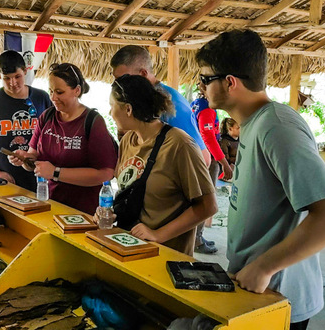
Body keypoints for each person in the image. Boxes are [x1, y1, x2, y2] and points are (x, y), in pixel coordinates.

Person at [196, 29, 325, 329]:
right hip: (257, 287)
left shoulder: (277, 126)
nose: (201, 87)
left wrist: (264, 267)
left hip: (278, 294)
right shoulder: (254, 124)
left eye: (205, 79)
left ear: (230, 82)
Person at [98, 74, 217, 256]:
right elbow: (133, 191)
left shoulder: (179, 144)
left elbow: (208, 206)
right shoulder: (128, 141)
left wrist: (158, 235)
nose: (110, 113)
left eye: (112, 106)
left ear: (128, 109)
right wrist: (109, 212)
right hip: (131, 249)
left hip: (166, 255)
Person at [8, 63, 117, 214]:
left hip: (83, 212)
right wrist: (25, 159)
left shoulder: (92, 122)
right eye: (51, 91)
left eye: (59, 92)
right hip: (49, 205)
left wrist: (56, 172)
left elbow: (105, 173)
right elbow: (34, 160)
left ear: (77, 91)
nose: (53, 97)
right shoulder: (46, 117)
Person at [110, 45, 211, 166]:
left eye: (123, 79)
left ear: (143, 73)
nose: (118, 86)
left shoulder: (172, 103)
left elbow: (203, 158)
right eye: (116, 81)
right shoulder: (140, 102)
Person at [0, 50, 52, 192]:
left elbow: (53, 135)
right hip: (5, 181)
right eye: (7, 78)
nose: (13, 83)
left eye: (17, 76)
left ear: (25, 71)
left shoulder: (41, 98)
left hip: (40, 180)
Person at [189, 87, 235, 254]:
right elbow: (207, 136)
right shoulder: (207, 108)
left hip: (199, 154)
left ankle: (197, 236)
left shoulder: (196, 104)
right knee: (206, 199)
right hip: (207, 157)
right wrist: (224, 162)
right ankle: (196, 239)